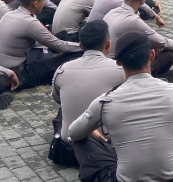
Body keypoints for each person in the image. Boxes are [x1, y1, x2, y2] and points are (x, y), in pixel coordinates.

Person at [67, 30, 173, 182]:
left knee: (80, 140)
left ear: (118, 62)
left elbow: (73, 133)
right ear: (152, 54)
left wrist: (90, 129)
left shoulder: (104, 102)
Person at [48, 21, 125, 167]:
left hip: (69, 147)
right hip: (105, 147)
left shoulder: (63, 69)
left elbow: (57, 98)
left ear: (81, 45)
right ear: (108, 44)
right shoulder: (121, 70)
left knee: (62, 112)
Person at [0, 0, 83, 87]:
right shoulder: (30, 22)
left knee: (62, 37)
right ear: (35, 4)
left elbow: (47, 41)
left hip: (0, 67)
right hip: (16, 74)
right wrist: (83, 46)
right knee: (71, 56)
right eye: (43, 1)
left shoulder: (9, 14)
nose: (44, 4)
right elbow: (60, 46)